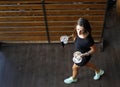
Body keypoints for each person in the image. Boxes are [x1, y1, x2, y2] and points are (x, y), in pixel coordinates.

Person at [64, 18, 104, 84]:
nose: (79, 32)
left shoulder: (88, 40)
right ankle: (98, 71)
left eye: (81, 30)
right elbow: (74, 35)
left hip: (83, 56)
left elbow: (94, 50)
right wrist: (68, 37)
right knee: (87, 64)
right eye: (78, 29)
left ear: (85, 29)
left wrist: (84, 55)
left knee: (74, 68)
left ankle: (73, 78)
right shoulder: (76, 31)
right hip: (78, 53)